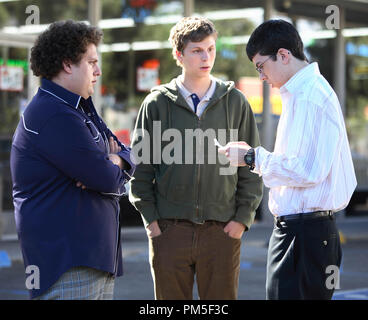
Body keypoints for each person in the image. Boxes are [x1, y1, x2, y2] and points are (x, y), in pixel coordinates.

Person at [219, 19, 357, 300]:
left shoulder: (309, 96)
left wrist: (250, 156)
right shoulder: (301, 93)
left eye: (260, 66)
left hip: (305, 234)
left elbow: (307, 170)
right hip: (304, 232)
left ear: (283, 55)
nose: (261, 76)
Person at [129, 16, 263, 300]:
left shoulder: (235, 101)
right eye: (197, 50)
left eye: (211, 49)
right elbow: (141, 169)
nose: (206, 57)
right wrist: (152, 222)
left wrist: (241, 220)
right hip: (169, 230)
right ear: (179, 54)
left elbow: (251, 166)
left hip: (222, 231)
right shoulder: (156, 104)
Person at [10, 20, 135, 300]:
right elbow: (105, 179)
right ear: (68, 65)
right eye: (91, 62)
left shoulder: (79, 108)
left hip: (93, 261)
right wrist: (110, 165)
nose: (98, 71)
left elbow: (126, 155)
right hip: (69, 265)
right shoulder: (54, 115)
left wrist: (115, 160)